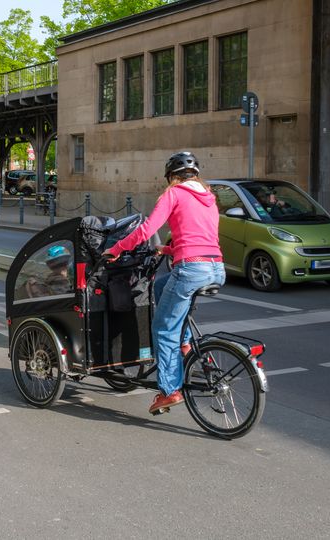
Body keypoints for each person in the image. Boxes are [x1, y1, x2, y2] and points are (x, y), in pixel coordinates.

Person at [103, 151, 225, 415]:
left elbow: (147, 229)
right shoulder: (209, 198)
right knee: (160, 286)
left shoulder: (174, 194)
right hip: (216, 267)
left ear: (172, 177)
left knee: (162, 329)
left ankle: (169, 391)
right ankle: (185, 343)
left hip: (191, 268)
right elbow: (201, 238)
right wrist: (167, 251)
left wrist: (118, 249)